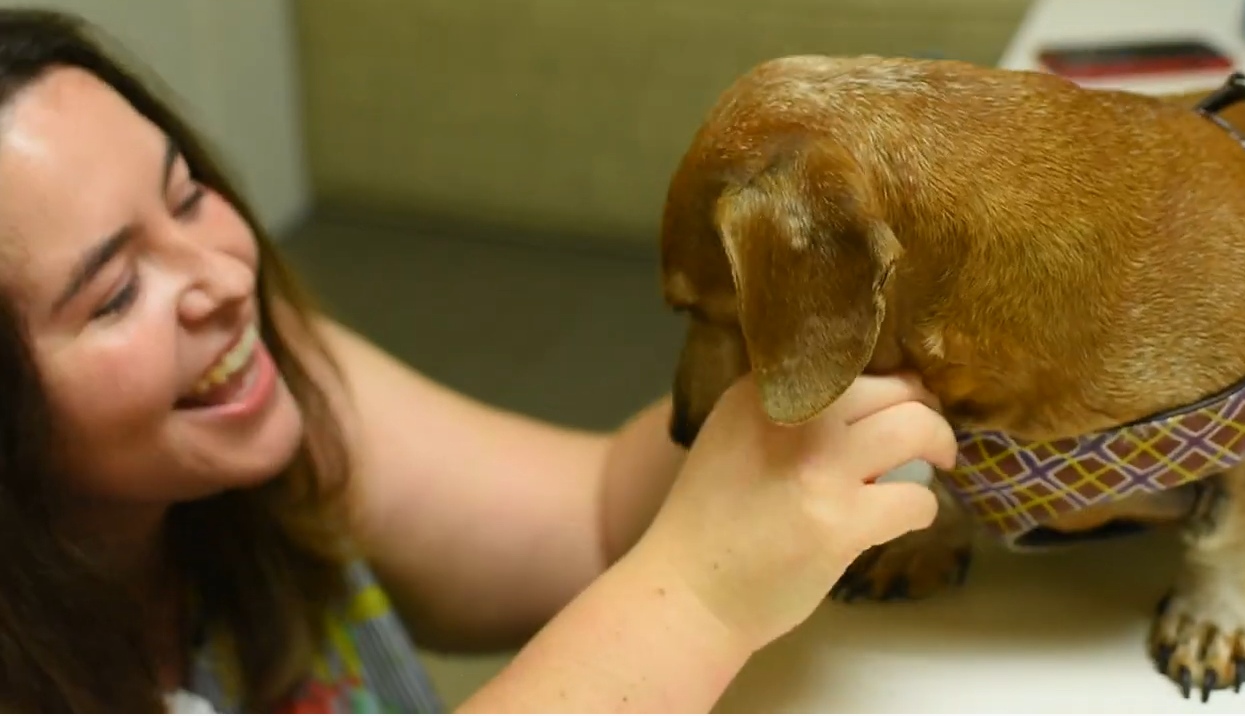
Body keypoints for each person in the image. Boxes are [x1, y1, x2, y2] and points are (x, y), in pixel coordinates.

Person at [0, 8, 958, 714]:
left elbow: (587, 519)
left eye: (186, 195)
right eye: (114, 294)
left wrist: (803, 330)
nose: (220, 276)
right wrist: (702, 593)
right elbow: (677, 568)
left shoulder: (259, 383)